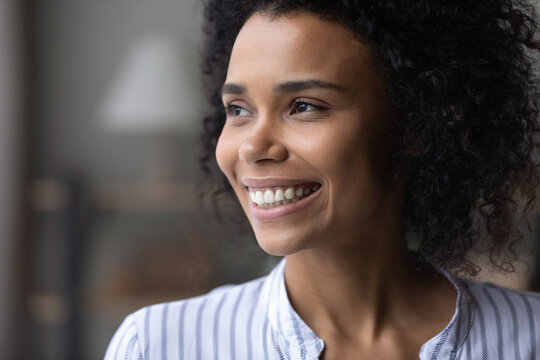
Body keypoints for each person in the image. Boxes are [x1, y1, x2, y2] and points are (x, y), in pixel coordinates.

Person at [105, 0, 540, 359]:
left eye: (304, 106)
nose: (252, 148)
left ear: (415, 127)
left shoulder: (530, 339)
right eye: (239, 109)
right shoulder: (159, 345)